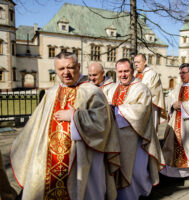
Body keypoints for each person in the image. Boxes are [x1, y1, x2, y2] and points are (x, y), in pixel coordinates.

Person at [10, 52, 120, 200]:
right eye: (61, 69)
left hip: (84, 155)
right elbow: (36, 126)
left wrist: (74, 116)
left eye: (70, 67)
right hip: (50, 159)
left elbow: (102, 125)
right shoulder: (52, 93)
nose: (66, 73)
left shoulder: (91, 91)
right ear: (56, 70)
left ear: (78, 67)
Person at [107, 58, 165, 200]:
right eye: (120, 71)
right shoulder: (113, 88)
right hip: (115, 137)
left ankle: (141, 194)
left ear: (132, 71)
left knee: (135, 171)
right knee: (118, 169)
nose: (123, 75)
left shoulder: (141, 88)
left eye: (126, 71)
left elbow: (142, 111)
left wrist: (116, 110)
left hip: (136, 138)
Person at [134, 54, 165, 131]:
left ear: (145, 62)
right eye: (135, 62)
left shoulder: (152, 74)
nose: (136, 64)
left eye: (138, 62)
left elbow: (153, 91)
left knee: (149, 131)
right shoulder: (135, 74)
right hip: (136, 106)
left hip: (150, 106)